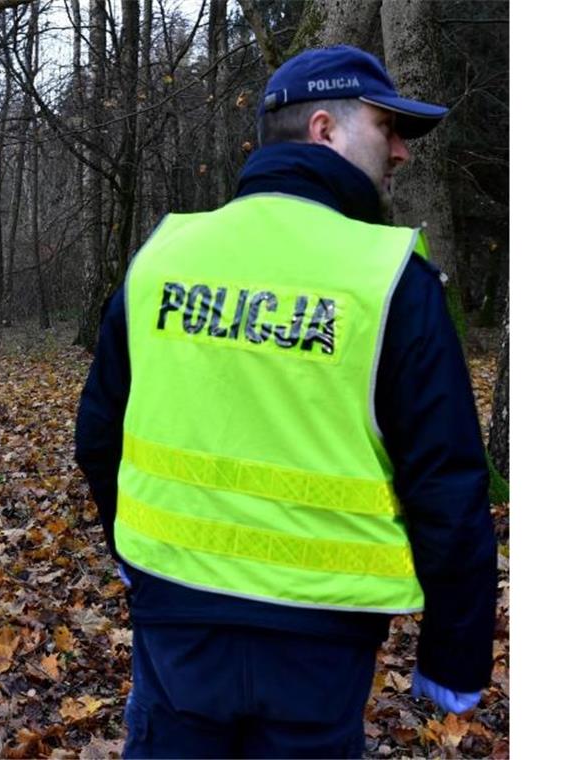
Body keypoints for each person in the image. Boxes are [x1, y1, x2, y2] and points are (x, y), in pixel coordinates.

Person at [74, 45, 496, 758]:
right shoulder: (391, 279)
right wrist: (453, 659)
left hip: (176, 622)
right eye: (388, 127)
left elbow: (97, 434)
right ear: (325, 129)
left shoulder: (163, 257)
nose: (402, 152)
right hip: (320, 645)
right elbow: (447, 488)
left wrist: (131, 549)